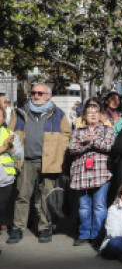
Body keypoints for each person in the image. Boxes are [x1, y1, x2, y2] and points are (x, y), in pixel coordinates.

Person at [8, 83, 72, 244]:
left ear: (48, 96)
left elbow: (67, 135)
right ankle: (17, 228)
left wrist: (59, 156)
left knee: (46, 197)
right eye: (34, 92)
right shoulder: (20, 112)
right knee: (22, 196)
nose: (36, 95)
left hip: (48, 162)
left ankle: (44, 228)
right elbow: (10, 134)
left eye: (40, 93)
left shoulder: (58, 114)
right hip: (26, 161)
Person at [67, 102, 115, 246]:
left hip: (101, 173)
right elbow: (72, 149)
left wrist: (92, 140)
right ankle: (84, 233)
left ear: (100, 115)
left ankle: (97, 235)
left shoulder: (108, 130)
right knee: (83, 206)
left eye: (96, 112)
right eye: (89, 112)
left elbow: (108, 146)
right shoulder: (78, 131)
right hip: (81, 174)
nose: (93, 115)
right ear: (84, 116)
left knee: (99, 205)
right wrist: (86, 143)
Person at [0, 112, 23, 239]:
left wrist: (12, 148)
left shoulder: (10, 134)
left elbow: (19, 156)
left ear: (3, 118)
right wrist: (3, 147)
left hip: (5, 179)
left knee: (4, 207)